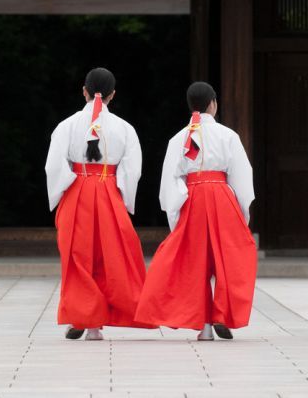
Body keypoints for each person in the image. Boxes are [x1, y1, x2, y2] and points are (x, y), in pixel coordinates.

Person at [135, 81, 257, 341]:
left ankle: (203, 325)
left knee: (194, 262)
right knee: (228, 259)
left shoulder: (179, 138)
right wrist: (242, 213)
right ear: (213, 103)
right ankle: (222, 313)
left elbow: (170, 180)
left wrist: (176, 215)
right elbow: (242, 176)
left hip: (191, 199)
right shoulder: (228, 136)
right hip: (222, 196)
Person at [45, 67, 149, 340]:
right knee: (109, 256)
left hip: (77, 188)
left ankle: (84, 316)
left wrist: (64, 191)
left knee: (77, 256)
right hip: (109, 190)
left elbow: (53, 166)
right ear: (113, 94)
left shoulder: (66, 126)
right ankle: (95, 323)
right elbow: (133, 170)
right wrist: (122, 197)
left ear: (84, 90)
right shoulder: (125, 128)